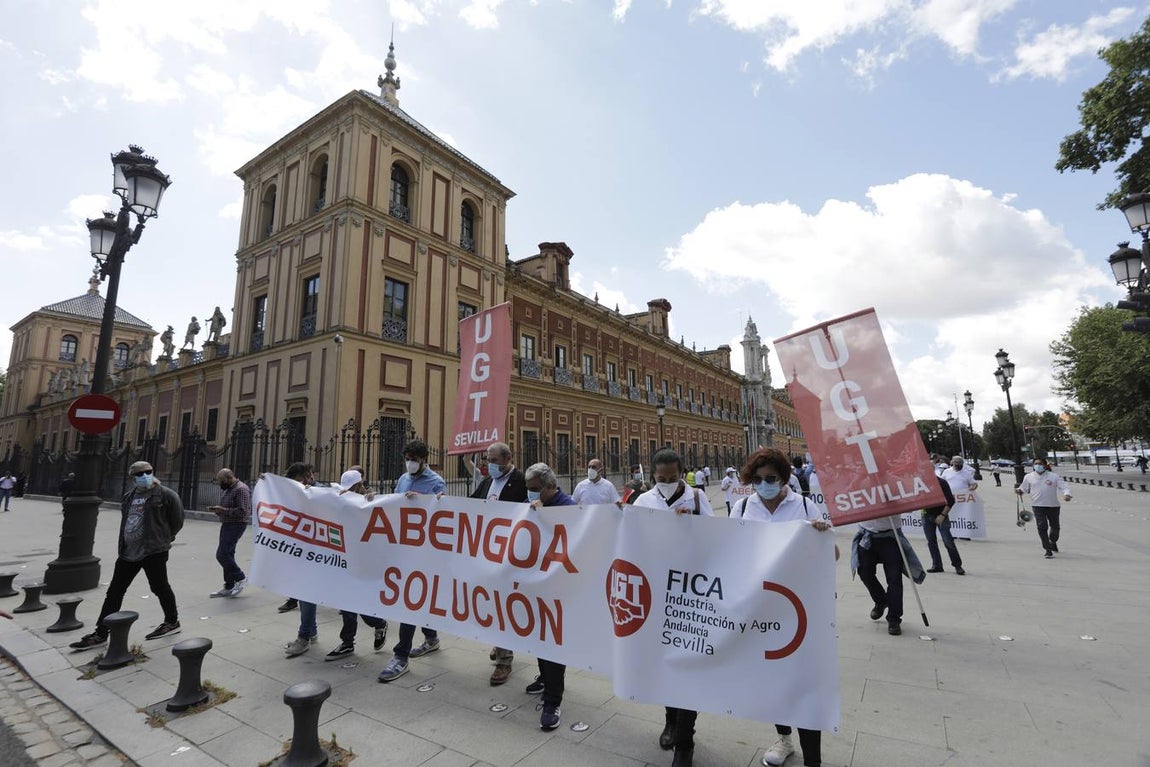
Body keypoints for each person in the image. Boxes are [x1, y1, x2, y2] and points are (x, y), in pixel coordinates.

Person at [730, 449, 835, 767]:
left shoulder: (804, 505)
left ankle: (813, 759)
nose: (764, 485)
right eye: (758, 480)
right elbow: (728, 549)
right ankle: (784, 739)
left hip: (801, 605)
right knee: (773, 678)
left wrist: (822, 536)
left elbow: (833, 555)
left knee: (805, 681)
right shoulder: (743, 506)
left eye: (771, 479)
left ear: (784, 477)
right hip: (761, 605)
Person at [629, 448, 712, 767]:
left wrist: (692, 526)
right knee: (665, 662)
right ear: (652, 476)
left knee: (687, 663)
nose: (666, 483)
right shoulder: (643, 501)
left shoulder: (697, 499)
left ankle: (684, 740)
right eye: (660, 478)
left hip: (691, 594)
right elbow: (632, 540)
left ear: (682, 474)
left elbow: (720, 538)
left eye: (672, 477)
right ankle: (670, 720)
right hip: (657, 593)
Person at [69, 461, 185, 649]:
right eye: (140, 474)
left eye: (148, 472)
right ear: (133, 478)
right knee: (114, 591)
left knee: (159, 587)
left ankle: (172, 622)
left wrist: (164, 538)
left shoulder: (166, 495)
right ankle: (101, 632)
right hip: (127, 552)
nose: (145, 475)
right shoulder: (129, 496)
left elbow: (177, 520)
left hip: (153, 551)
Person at [377, 439, 448, 683]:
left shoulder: (436, 482)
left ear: (424, 459)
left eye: (414, 459)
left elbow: (442, 513)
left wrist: (422, 500)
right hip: (403, 548)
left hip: (424, 551)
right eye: (407, 458)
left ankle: (401, 656)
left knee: (411, 600)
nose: (410, 463)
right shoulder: (402, 479)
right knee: (417, 599)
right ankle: (431, 637)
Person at [463, 441, 528, 685]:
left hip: (509, 555)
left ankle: (504, 660)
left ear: (508, 458)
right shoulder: (488, 481)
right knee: (490, 602)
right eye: (487, 460)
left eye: (493, 460)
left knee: (502, 603)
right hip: (486, 552)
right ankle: (501, 641)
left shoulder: (521, 481)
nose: (489, 464)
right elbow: (470, 504)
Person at [520, 462, 576, 731]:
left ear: (550, 487)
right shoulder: (534, 504)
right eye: (528, 489)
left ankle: (553, 700)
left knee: (553, 642)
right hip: (537, 583)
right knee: (539, 638)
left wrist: (543, 518)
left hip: (560, 588)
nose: (529, 494)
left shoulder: (569, 506)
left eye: (533, 490)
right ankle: (544, 677)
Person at [325, 468, 388, 660]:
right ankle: (347, 642)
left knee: (359, 601)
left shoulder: (370, 499)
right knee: (347, 602)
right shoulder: (340, 496)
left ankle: (378, 623)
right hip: (344, 557)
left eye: (351, 487)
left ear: (359, 484)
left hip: (364, 560)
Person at [851, 502, 926, 637]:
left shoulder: (894, 484)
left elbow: (910, 506)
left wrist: (893, 504)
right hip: (867, 535)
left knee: (894, 578)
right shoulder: (860, 482)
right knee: (864, 571)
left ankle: (894, 618)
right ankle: (881, 600)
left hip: (891, 537)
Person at [281, 462, 322, 655]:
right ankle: (310, 631)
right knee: (305, 592)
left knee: (306, 593)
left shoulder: (321, 493)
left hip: (318, 552)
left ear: (308, 477)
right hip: (301, 550)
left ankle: (304, 636)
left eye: (298, 481)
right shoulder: (295, 492)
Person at [207, 469, 251, 598]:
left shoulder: (241, 489)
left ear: (229, 477)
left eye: (221, 481)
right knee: (228, 554)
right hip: (228, 524)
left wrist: (223, 510)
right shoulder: (230, 488)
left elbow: (242, 511)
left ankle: (241, 578)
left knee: (222, 554)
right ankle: (229, 585)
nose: (220, 483)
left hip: (236, 524)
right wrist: (220, 511)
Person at [1016, 457, 1071, 558]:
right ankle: (1047, 549)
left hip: (1053, 506)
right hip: (1037, 506)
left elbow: (1064, 487)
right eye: (1036, 464)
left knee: (1055, 528)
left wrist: (1066, 494)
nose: (1038, 466)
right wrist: (1019, 490)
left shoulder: (1053, 476)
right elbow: (1023, 488)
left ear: (1045, 465)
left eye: (1040, 464)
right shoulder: (1029, 477)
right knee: (1042, 527)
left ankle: (1053, 541)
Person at [922, 474, 964, 575]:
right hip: (926, 515)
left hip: (941, 515)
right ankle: (937, 565)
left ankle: (957, 565)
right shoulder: (921, 482)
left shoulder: (941, 483)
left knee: (948, 541)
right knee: (931, 541)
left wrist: (942, 515)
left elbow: (950, 501)